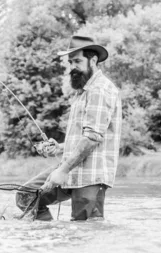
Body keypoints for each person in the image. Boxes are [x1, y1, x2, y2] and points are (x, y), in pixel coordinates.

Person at [18, 35, 122, 221]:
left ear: (93, 60)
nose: (73, 66)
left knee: (85, 232)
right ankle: (50, 239)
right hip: (71, 170)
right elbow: (84, 136)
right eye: (70, 62)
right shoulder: (82, 92)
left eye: (77, 61)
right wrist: (59, 147)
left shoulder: (100, 90)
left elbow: (92, 137)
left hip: (91, 176)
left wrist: (63, 170)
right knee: (26, 196)